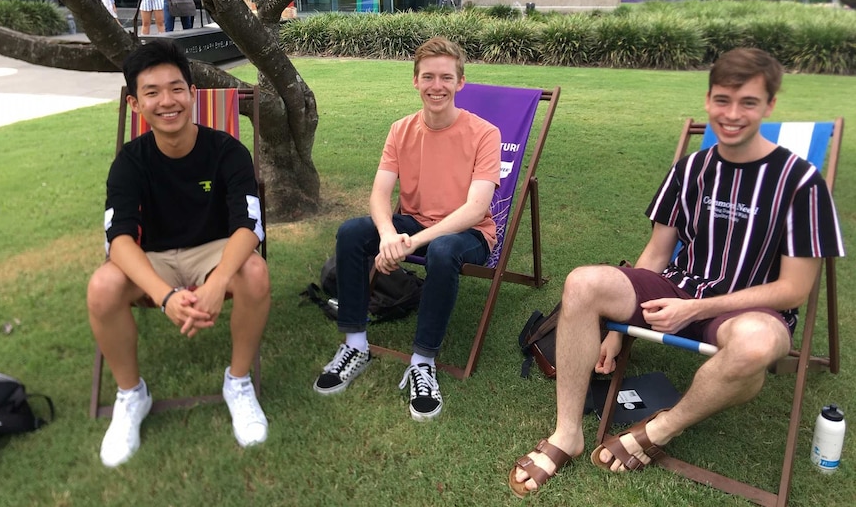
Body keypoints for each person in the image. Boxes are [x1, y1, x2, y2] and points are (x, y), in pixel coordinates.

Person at [508, 48, 845, 497]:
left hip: (752, 307)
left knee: (757, 347)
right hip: (680, 285)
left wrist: (698, 307)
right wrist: (618, 330)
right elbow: (657, 253)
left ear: (769, 106)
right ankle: (568, 432)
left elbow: (793, 290)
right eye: (723, 100)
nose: (732, 114)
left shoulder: (801, 182)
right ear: (707, 101)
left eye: (748, 102)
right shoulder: (691, 169)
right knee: (583, 282)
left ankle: (661, 428)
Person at [87, 40, 270, 467]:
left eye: (176, 89)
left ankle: (238, 382)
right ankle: (132, 395)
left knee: (255, 273)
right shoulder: (129, 162)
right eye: (152, 92)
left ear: (192, 93)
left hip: (213, 250)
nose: (166, 101)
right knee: (102, 286)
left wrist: (217, 282)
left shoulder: (226, 151)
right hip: (151, 256)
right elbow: (119, 241)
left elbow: (249, 227)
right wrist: (165, 296)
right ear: (135, 104)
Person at [312, 37, 501, 421]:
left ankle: (422, 362)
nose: (437, 86)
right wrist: (386, 236)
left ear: (460, 83)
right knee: (351, 232)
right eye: (428, 76)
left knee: (442, 250)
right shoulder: (401, 129)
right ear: (415, 81)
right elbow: (380, 194)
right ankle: (356, 344)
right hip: (412, 220)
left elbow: (475, 209)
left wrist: (409, 242)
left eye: (446, 77)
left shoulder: (485, 134)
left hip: (470, 233)